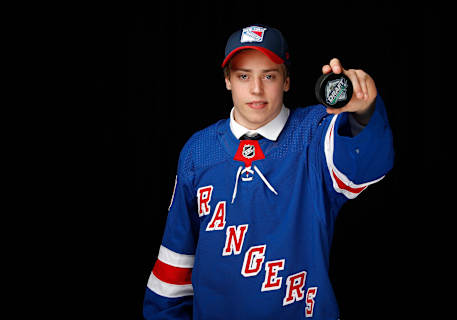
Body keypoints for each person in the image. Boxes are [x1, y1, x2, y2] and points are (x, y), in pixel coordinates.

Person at [143, 24, 394, 319]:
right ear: (227, 81)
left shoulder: (315, 132)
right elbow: (176, 261)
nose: (256, 89)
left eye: (270, 76)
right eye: (244, 76)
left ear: (287, 80)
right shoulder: (198, 151)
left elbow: (365, 163)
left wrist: (363, 111)